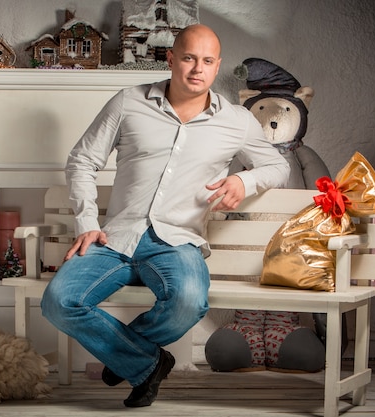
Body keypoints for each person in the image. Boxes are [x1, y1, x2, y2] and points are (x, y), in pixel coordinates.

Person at [41, 24, 290, 407]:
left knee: (189, 301)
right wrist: (87, 222)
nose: (197, 69)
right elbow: (82, 161)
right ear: (171, 58)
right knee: (59, 301)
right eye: (189, 57)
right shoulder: (128, 101)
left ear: (217, 65)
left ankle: (126, 356)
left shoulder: (236, 120)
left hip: (177, 241)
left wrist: (245, 180)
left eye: (207, 61)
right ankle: (147, 362)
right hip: (114, 238)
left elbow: (277, 167)